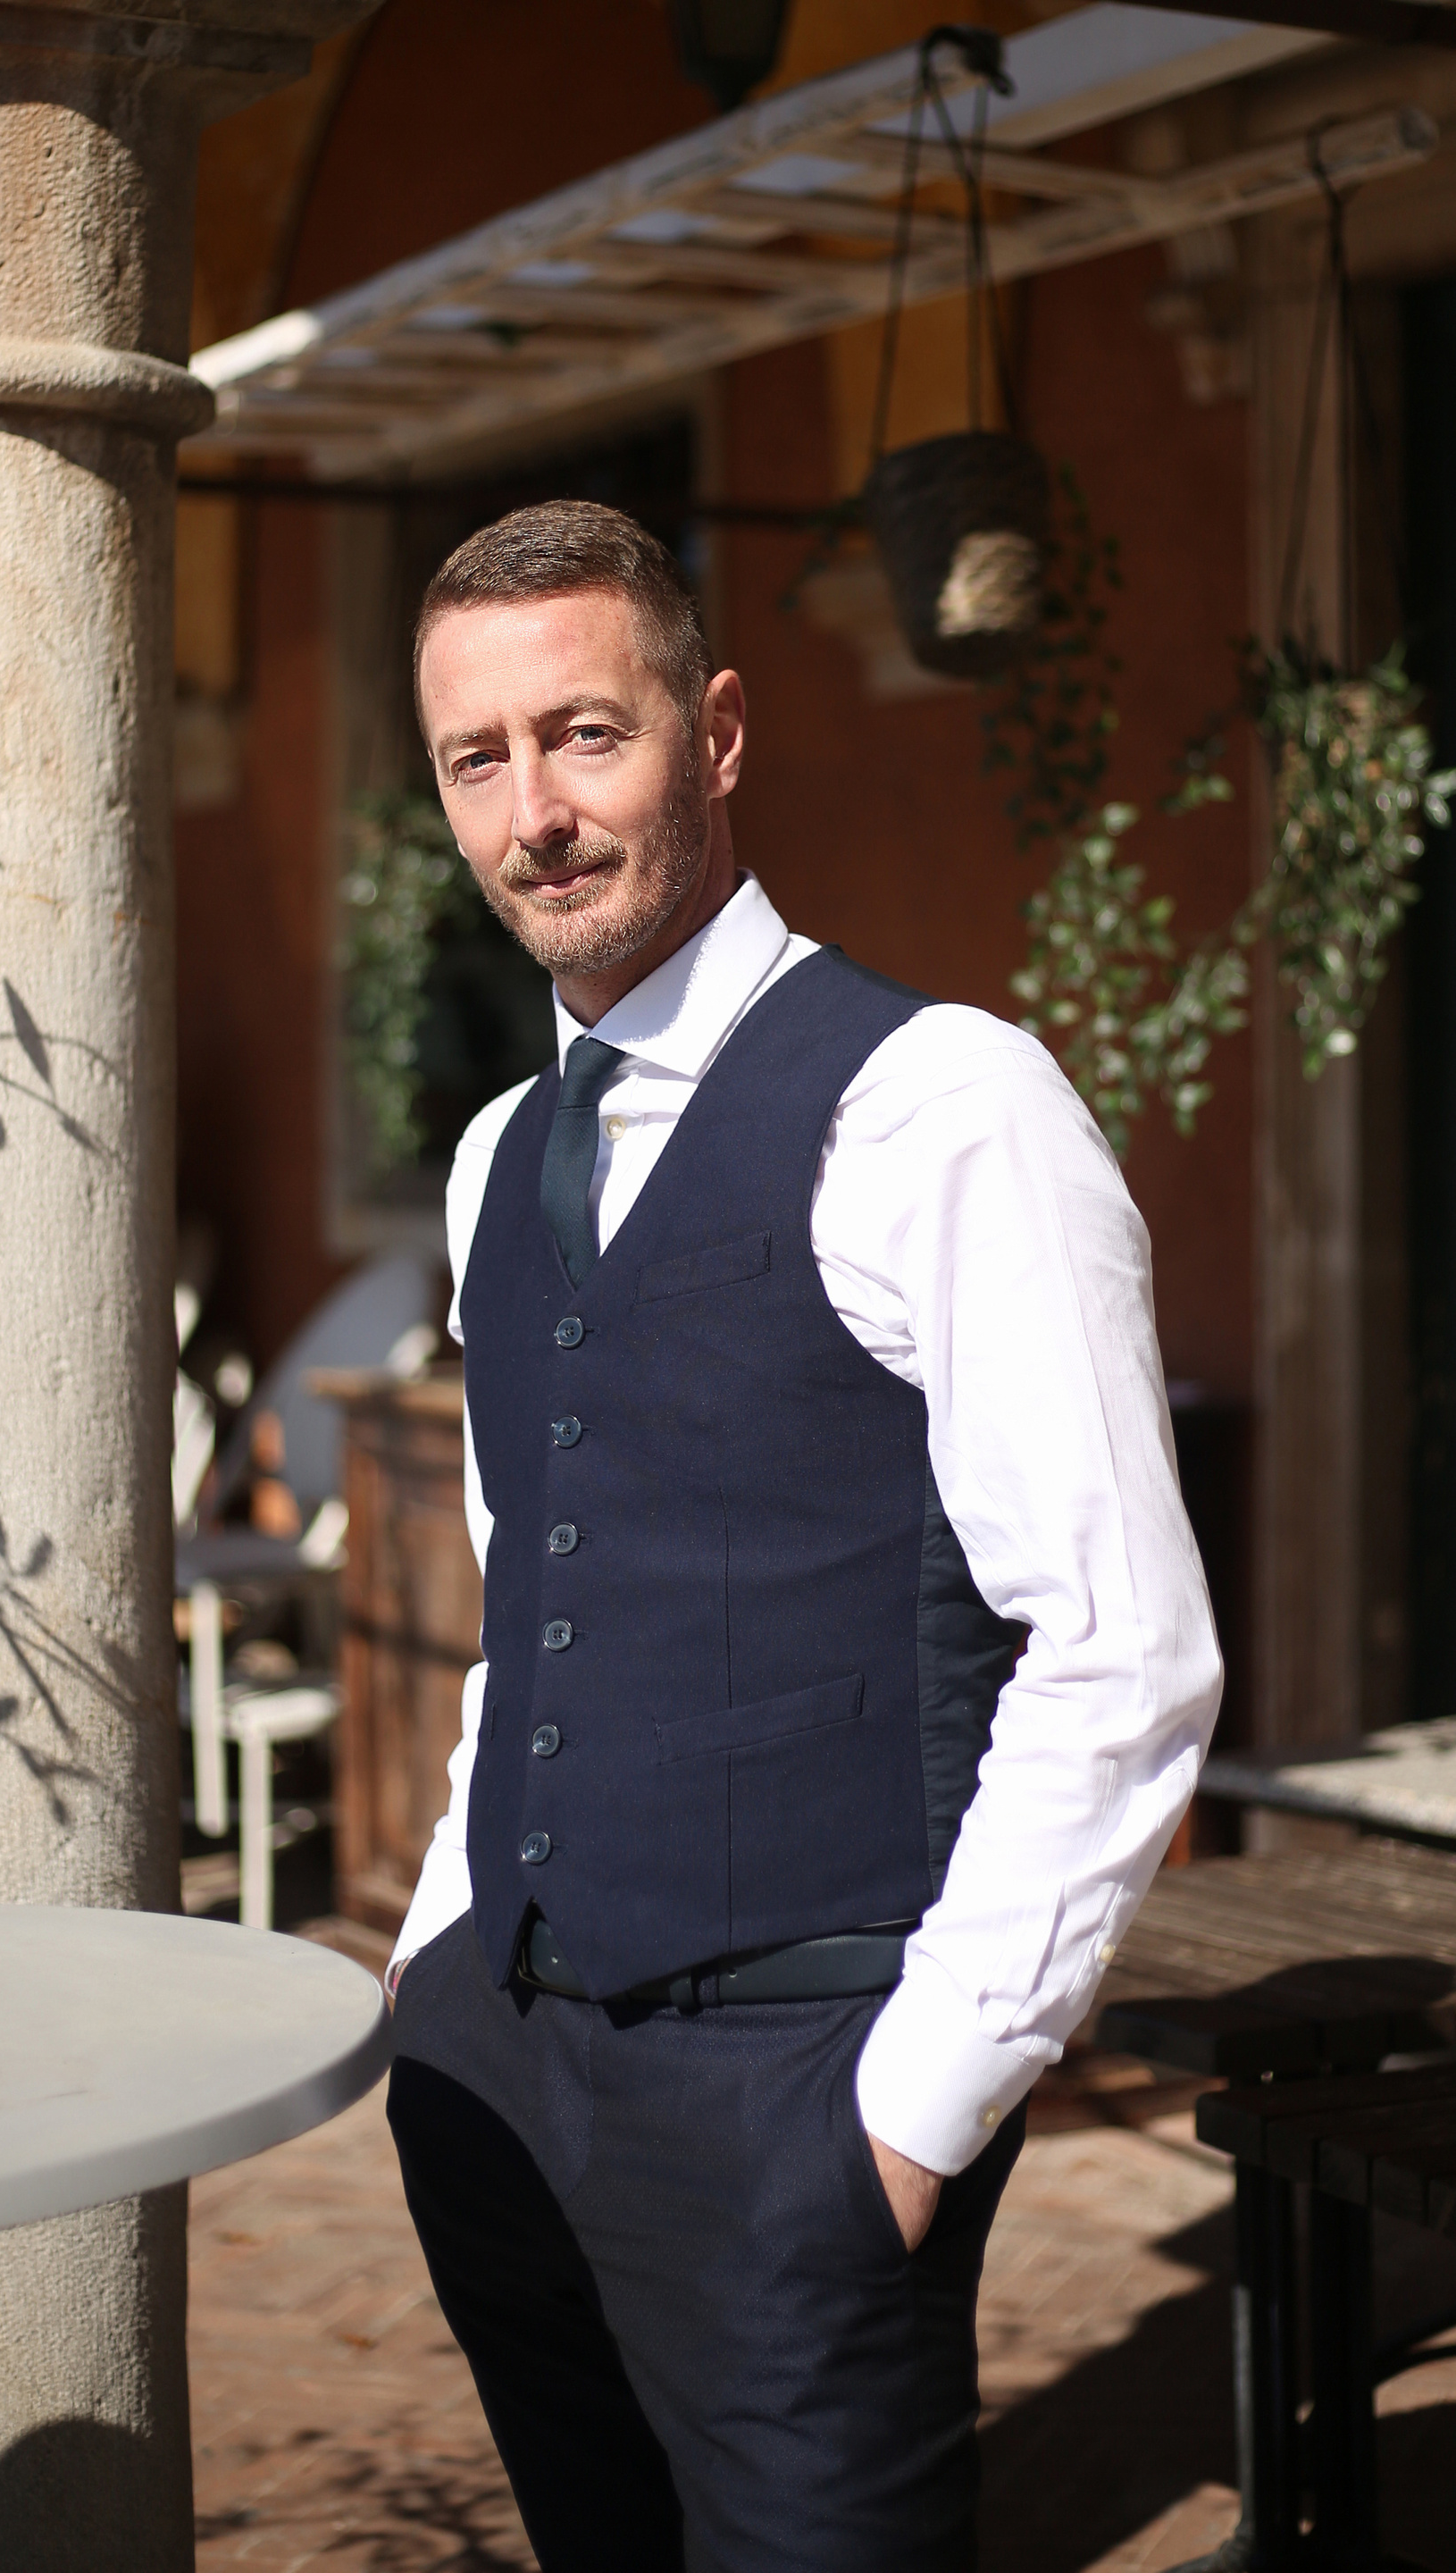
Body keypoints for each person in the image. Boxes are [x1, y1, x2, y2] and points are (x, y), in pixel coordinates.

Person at [383, 499, 1221, 2573]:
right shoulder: (495, 1162)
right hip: (500, 2087)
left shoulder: (944, 1105)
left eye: (587, 734)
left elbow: (1122, 1650)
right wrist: (435, 1971)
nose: (534, 815)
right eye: (479, 759)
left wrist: (915, 2114)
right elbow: (535, 1604)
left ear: (722, 730)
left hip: (802, 2102)